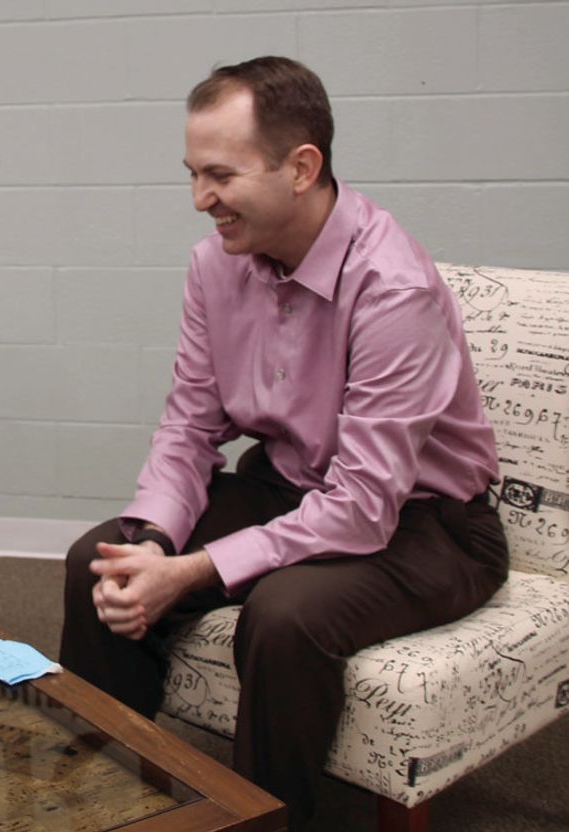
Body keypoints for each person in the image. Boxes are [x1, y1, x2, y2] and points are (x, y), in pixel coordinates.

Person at [59, 57, 508, 830]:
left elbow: (365, 507)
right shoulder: (214, 267)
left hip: (429, 524)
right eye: (193, 174)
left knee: (286, 613)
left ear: (302, 168)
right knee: (100, 558)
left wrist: (193, 571)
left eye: (220, 176)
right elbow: (190, 427)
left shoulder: (393, 288)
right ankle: (111, 808)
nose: (202, 200)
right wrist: (156, 541)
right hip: (292, 486)